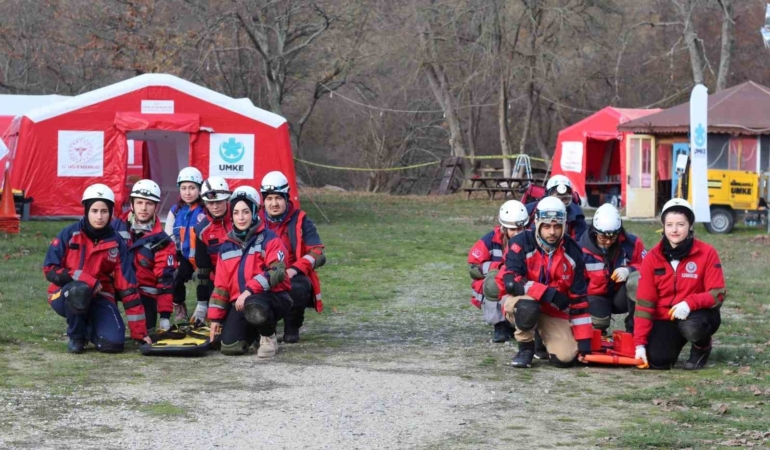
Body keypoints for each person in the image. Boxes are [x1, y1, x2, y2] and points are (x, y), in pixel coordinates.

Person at [44, 184, 152, 353]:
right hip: (63, 294)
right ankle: (77, 337)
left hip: (100, 296)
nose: (99, 216)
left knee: (114, 345)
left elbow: (128, 288)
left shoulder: (117, 243)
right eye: (94, 211)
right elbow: (49, 270)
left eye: (104, 211)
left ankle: (90, 329)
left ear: (110, 213)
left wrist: (140, 333)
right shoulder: (68, 234)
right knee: (80, 289)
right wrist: (85, 278)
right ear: (86, 211)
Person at [495, 196, 592, 368]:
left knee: (566, 358)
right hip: (520, 302)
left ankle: (542, 338)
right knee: (528, 306)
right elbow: (512, 282)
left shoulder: (574, 252)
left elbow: (579, 301)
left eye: (557, 226)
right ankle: (525, 348)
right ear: (538, 224)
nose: (552, 232)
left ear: (564, 226)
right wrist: (548, 294)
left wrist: (585, 343)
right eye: (547, 226)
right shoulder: (520, 242)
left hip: (552, 311)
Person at [633, 199, 726, 370]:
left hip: (697, 315)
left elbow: (718, 293)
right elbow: (645, 303)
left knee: (692, 327)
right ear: (663, 227)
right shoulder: (652, 258)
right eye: (669, 225)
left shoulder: (707, 253)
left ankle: (702, 347)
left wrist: (689, 304)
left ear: (690, 225)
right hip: (666, 317)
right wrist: (639, 344)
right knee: (657, 361)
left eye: (680, 224)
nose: (674, 230)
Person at [208, 186, 293, 358]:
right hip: (240, 303)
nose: (240, 217)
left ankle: (268, 337)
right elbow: (221, 286)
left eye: (246, 211)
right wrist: (215, 318)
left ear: (255, 212)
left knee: (254, 303)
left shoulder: (270, 239)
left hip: (273, 298)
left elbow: (277, 272)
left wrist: (248, 291)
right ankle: (254, 332)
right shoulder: (226, 246)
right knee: (230, 347)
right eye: (236, 212)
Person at [259, 171, 325, 344]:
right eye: (269, 199)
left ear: (286, 198)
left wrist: (294, 270)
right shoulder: (254, 220)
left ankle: (292, 325)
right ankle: (266, 326)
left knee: (298, 288)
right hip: (261, 273)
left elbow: (317, 252)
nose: (274, 203)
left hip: (292, 274)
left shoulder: (301, 220)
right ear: (263, 200)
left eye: (278, 198)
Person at [113, 179, 178, 334]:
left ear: (156, 207)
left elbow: (165, 280)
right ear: (132, 204)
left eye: (149, 203)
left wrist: (164, 317)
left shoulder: (163, 241)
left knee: (146, 333)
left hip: (144, 291)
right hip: (114, 286)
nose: (143, 208)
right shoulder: (114, 228)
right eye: (139, 202)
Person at [467, 200, 529, 343]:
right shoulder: (489, 240)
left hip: (523, 281)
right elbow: (473, 268)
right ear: (504, 228)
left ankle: (523, 322)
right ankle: (499, 325)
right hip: (500, 283)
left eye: (520, 229)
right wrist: (499, 267)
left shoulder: (532, 239)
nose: (516, 233)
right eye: (512, 229)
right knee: (493, 281)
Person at [578, 203, 645, 335]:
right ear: (595, 232)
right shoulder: (581, 249)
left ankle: (634, 330)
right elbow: (577, 285)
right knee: (599, 321)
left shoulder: (632, 244)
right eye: (603, 237)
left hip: (623, 295)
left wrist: (629, 270)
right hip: (595, 297)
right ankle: (597, 327)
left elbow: (648, 267)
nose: (608, 242)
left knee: (638, 280)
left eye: (613, 237)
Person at [188, 176, 233, 325]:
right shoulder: (201, 230)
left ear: (227, 199)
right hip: (218, 283)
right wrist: (201, 303)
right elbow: (202, 269)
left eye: (219, 201)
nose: (215, 207)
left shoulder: (240, 219)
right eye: (210, 203)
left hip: (243, 280)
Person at [164, 167, 205, 322]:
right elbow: (169, 237)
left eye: (192, 188)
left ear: (200, 189)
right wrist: (176, 257)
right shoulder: (175, 210)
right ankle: (179, 305)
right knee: (173, 275)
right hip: (183, 256)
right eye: (184, 188)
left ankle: (204, 307)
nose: (188, 192)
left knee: (206, 278)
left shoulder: (206, 209)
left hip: (202, 257)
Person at [525, 175, 587, 240]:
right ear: (547, 195)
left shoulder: (577, 216)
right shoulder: (531, 209)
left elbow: (578, 242)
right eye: (557, 199)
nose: (560, 204)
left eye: (565, 199)